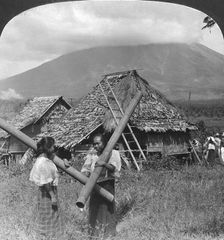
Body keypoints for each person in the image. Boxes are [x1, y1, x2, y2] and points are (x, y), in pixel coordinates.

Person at [81, 133, 121, 239]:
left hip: (107, 184)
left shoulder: (113, 153)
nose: (95, 146)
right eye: (94, 144)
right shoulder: (92, 155)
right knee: (94, 208)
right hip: (94, 185)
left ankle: (109, 233)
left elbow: (114, 168)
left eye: (98, 143)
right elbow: (86, 169)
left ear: (104, 143)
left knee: (107, 208)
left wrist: (103, 164)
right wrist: (85, 175)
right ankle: (94, 234)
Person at [29, 137, 64, 239]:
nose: (54, 148)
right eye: (52, 146)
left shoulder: (42, 159)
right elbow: (46, 182)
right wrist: (53, 196)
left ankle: (46, 236)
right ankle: (49, 236)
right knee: (50, 216)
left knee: (45, 216)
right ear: (47, 148)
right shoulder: (44, 162)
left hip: (44, 193)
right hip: (48, 193)